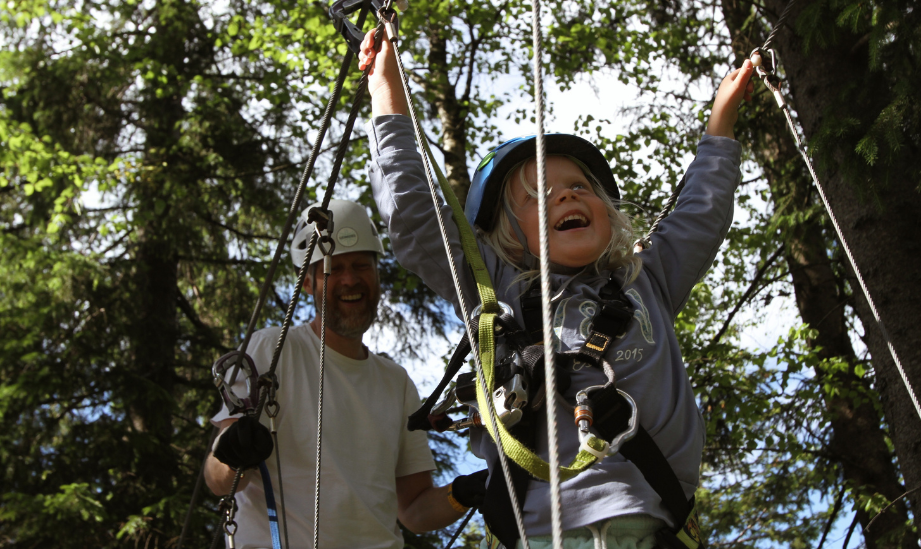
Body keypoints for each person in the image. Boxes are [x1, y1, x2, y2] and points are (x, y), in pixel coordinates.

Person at [359, 28, 754, 549]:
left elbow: (702, 209)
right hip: (543, 534)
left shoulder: (647, 277)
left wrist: (720, 125)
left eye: (579, 187)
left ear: (607, 213)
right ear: (508, 237)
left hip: (653, 529)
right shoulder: (495, 290)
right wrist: (386, 91)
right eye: (537, 196)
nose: (566, 195)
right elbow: (413, 213)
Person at [205, 199, 480, 549]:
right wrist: (231, 456)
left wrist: (467, 491)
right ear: (308, 283)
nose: (350, 279)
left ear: (377, 274)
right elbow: (217, 480)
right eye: (332, 268)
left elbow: (413, 510)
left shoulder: (396, 382)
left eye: (362, 265)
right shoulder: (274, 349)